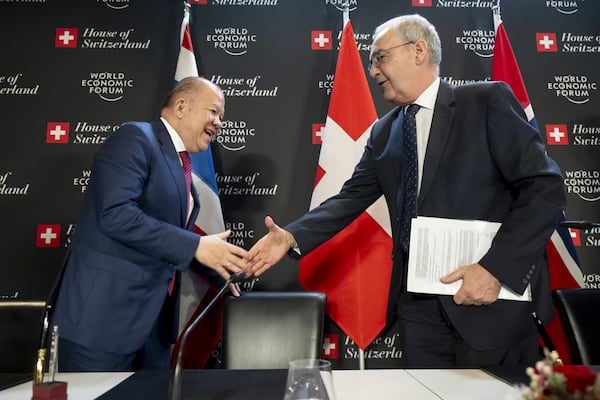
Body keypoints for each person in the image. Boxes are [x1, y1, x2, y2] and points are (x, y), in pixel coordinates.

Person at [248, 14, 566, 367]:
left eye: (379, 57)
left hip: (488, 302)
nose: (372, 71)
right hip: (419, 311)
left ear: (418, 51)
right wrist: (291, 237)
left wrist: (495, 270)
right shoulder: (384, 132)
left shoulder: (484, 101)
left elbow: (545, 188)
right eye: (370, 61)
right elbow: (350, 198)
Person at [47, 76, 250, 372]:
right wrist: (195, 245)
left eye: (221, 116)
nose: (219, 123)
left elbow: (166, 239)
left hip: (151, 329)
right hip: (101, 322)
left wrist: (224, 270)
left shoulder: (183, 170)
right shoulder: (136, 138)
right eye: (214, 112)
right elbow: (115, 215)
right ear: (181, 106)